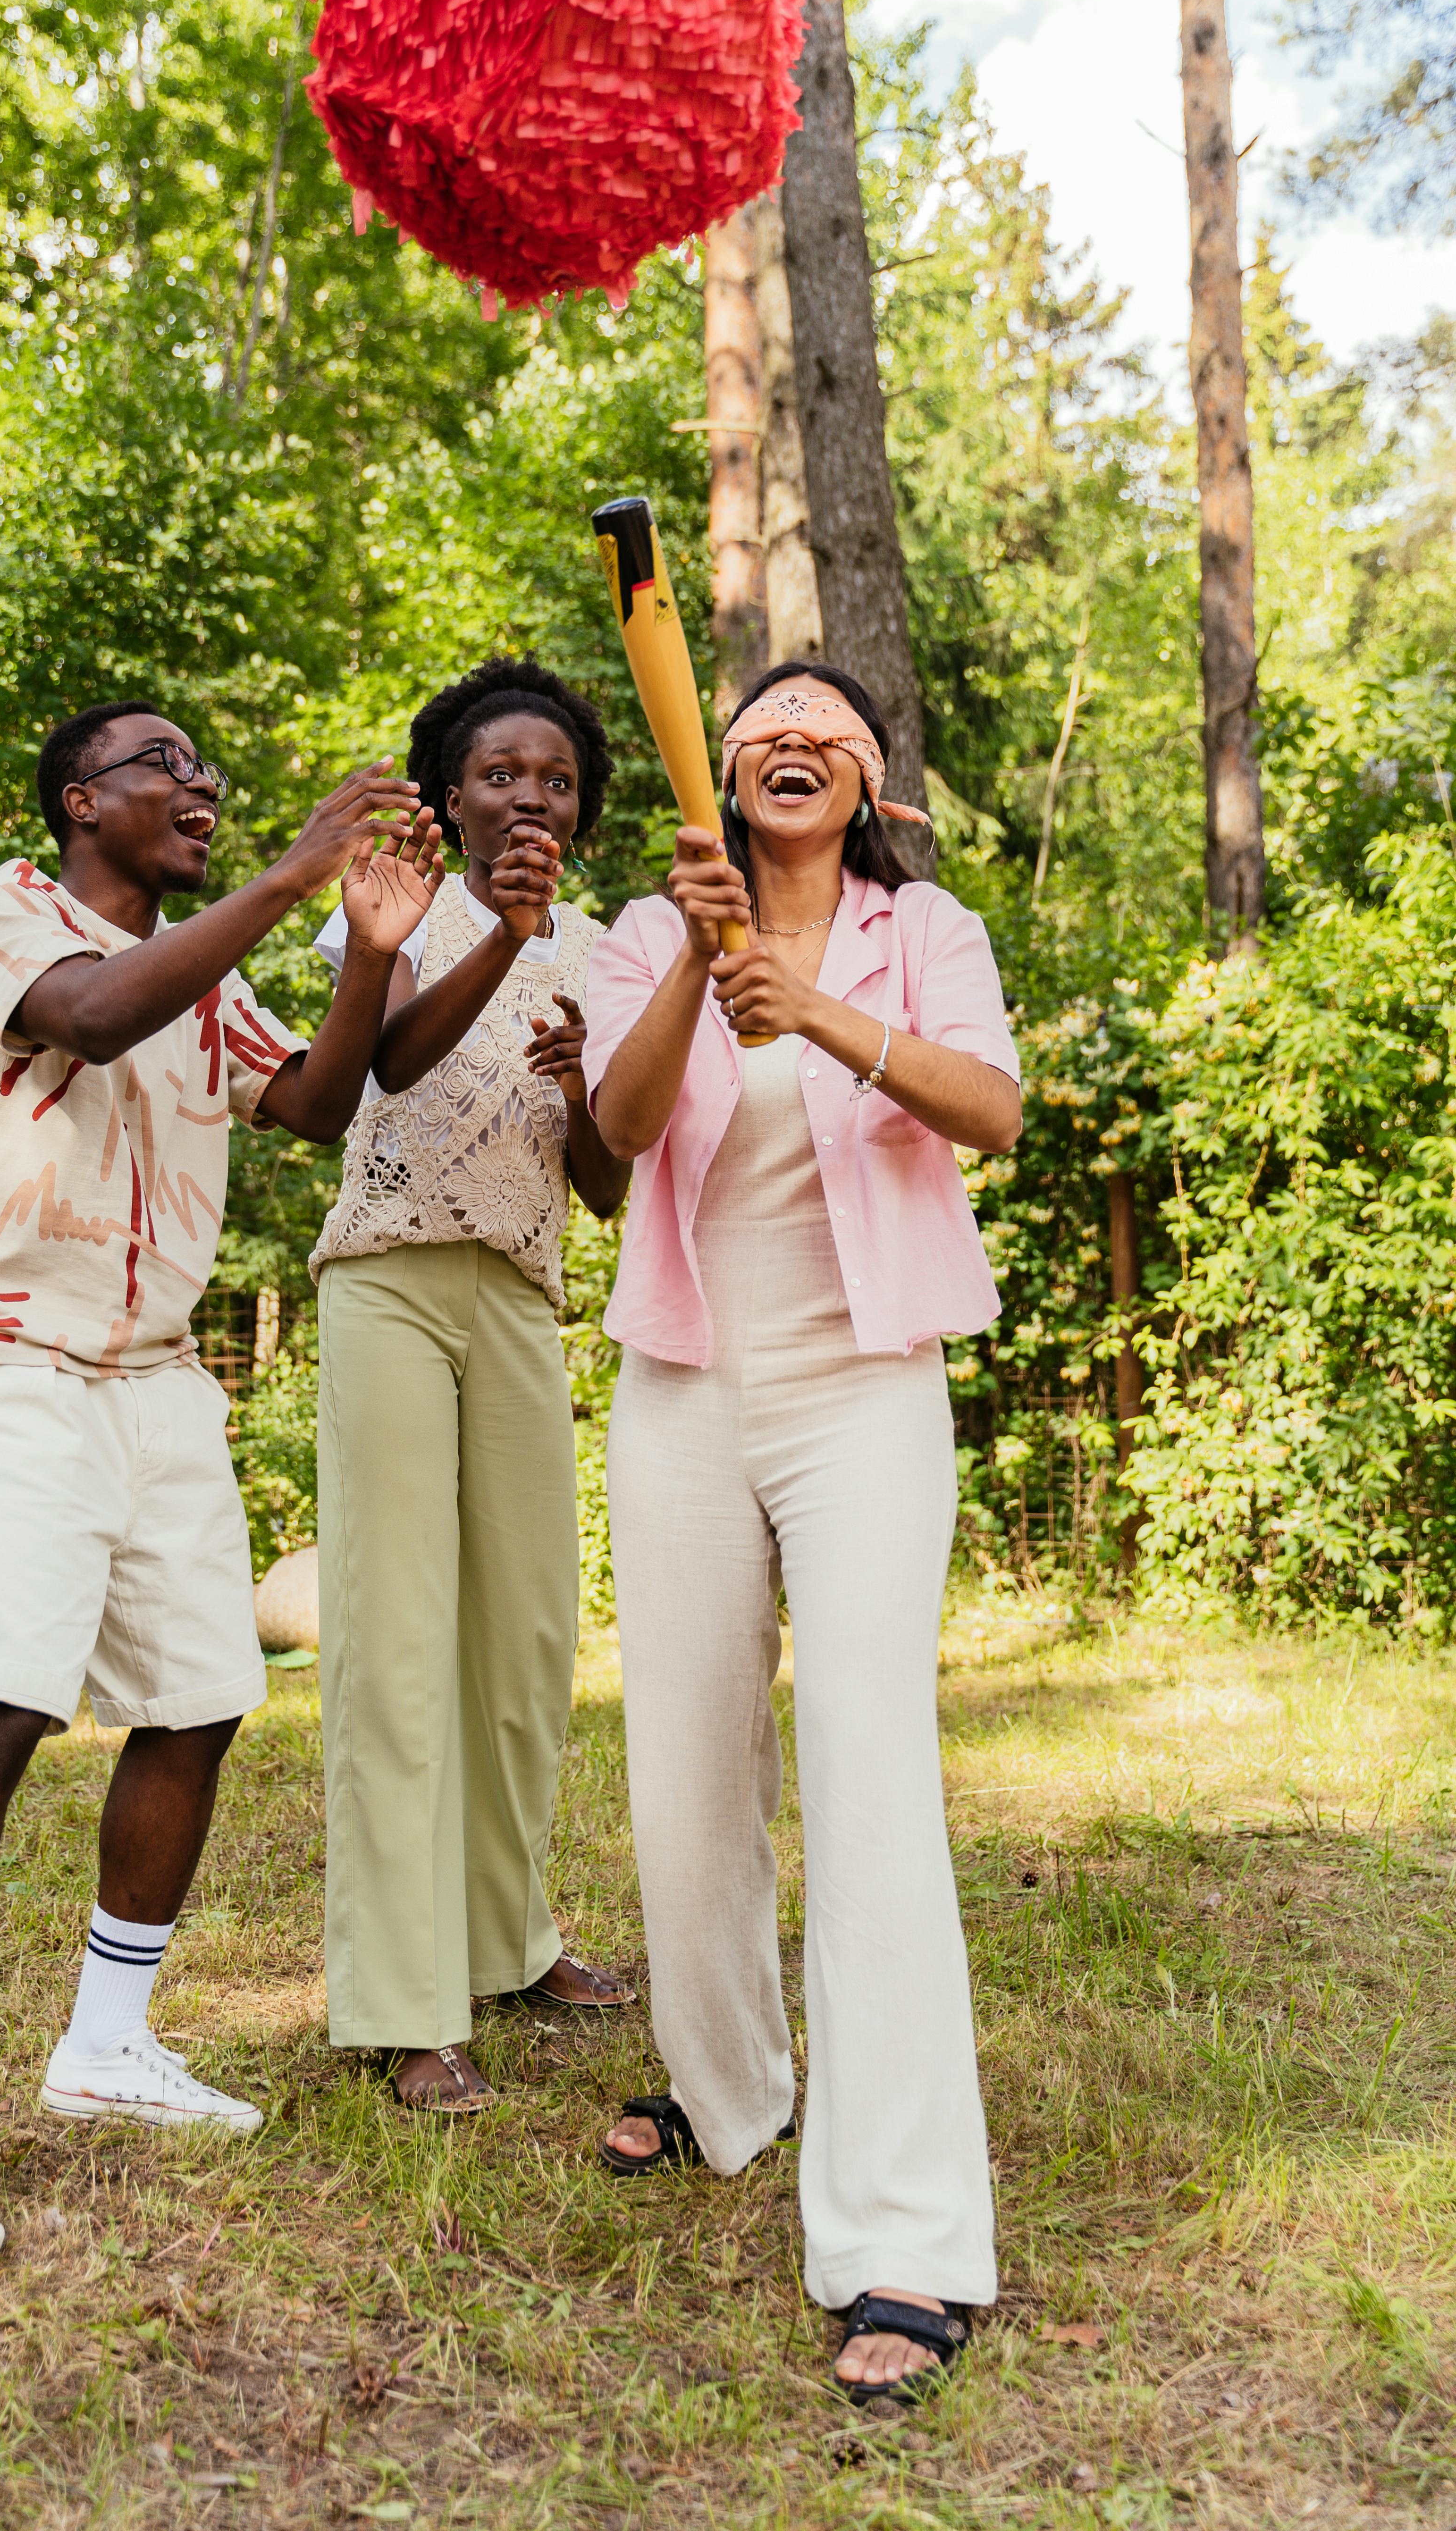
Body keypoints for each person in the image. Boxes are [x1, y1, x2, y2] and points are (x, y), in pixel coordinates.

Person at [0, 701, 442, 2261]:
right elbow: (90, 1019)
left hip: (158, 1382)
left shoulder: (208, 975)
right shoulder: (10, 916)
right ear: (83, 798)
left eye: (207, 772)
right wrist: (302, 879)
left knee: (200, 1698)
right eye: (166, 764)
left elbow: (310, 1103)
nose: (203, 785)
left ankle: (107, 2043)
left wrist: (371, 946)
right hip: (7, 1361)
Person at [580, 662, 1023, 2407]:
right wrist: (701, 964)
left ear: (870, 787)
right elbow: (617, 1137)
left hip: (865, 1392)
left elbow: (987, 1111)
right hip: (687, 1382)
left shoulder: (933, 937)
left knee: (867, 1773)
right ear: (730, 773)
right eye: (764, 720)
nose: (794, 739)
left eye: (831, 729)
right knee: (689, 1772)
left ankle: (906, 2234)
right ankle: (732, 2088)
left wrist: (816, 1009)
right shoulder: (649, 927)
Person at [309, 657, 634, 2114]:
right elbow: (381, 1065)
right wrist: (502, 939)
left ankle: (510, 1940)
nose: (530, 796)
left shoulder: (602, 947)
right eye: (502, 773)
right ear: (450, 790)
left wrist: (581, 1088)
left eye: (556, 780)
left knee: (526, 1644)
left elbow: (609, 1188)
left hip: (517, 1296)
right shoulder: (395, 903)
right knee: (397, 1641)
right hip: (387, 1279)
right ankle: (406, 2001)